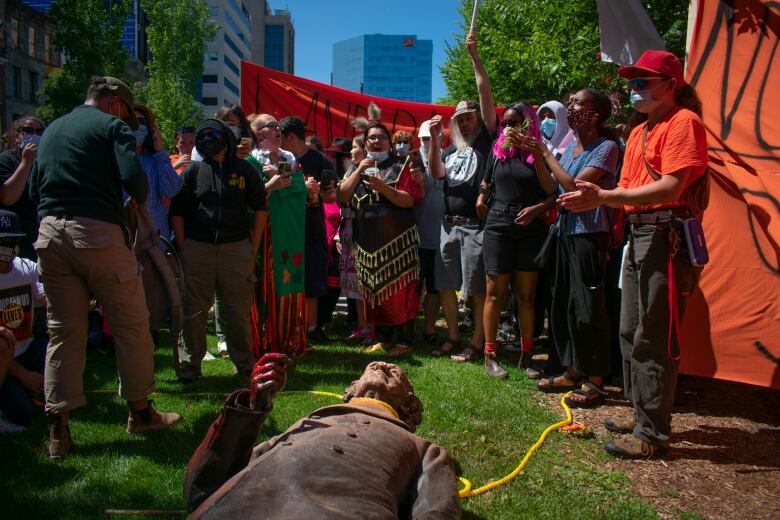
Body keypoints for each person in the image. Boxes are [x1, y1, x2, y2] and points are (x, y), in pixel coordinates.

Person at [558, 50, 709, 458]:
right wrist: (615, 220)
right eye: (632, 82)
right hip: (640, 234)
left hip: (665, 235)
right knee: (630, 330)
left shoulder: (684, 123)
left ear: (670, 85)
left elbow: (670, 188)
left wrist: (603, 197)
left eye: (643, 81)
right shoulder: (641, 130)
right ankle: (642, 412)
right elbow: (629, 193)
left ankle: (652, 433)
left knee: (653, 335)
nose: (634, 89)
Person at [29, 76, 181, 460]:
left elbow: (34, 190)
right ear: (116, 104)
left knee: (63, 332)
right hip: (96, 234)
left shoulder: (52, 129)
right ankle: (141, 413)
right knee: (131, 324)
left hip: (49, 236)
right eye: (128, 114)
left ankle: (58, 432)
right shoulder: (113, 126)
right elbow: (136, 181)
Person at [184, 357, 460, 519]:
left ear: (409, 405)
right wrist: (251, 407)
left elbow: (436, 508)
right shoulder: (306, 424)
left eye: (395, 372)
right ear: (351, 390)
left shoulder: (421, 448)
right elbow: (202, 487)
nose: (381, 365)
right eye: (375, 366)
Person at [521, 89, 619, 402]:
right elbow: (551, 185)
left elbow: (574, 187)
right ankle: (572, 368)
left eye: (577, 103)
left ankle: (596, 379)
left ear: (596, 114)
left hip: (589, 234)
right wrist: (539, 155)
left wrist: (546, 154)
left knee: (589, 307)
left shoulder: (607, 147)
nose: (571, 107)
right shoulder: (569, 149)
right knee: (563, 304)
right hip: (565, 232)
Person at [170, 118, 267, 384]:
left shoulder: (246, 170)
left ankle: (245, 366)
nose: (207, 139)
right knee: (193, 310)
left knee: (236, 310)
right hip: (197, 249)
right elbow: (177, 211)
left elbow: (260, 208)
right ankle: (190, 366)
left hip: (236, 250)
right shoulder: (192, 171)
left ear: (226, 138)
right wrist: (183, 245)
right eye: (203, 135)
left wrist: (253, 246)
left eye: (213, 134)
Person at [427, 29, 497, 362]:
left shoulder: (487, 141)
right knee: (445, 282)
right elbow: (437, 174)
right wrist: (433, 140)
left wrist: (474, 56)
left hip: (475, 226)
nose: (465, 124)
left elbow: (484, 91)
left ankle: (477, 341)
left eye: (469, 118)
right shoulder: (453, 151)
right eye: (460, 120)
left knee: (477, 287)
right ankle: (453, 335)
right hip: (447, 225)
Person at [477, 103, 556, 378]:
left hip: (530, 228)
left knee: (526, 296)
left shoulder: (539, 153)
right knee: (495, 292)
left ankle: (527, 355)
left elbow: (551, 191)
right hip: (498, 223)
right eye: (505, 123)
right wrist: (480, 197)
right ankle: (490, 356)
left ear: (528, 124)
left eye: (515, 122)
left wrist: (536, 209)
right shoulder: (497, 152)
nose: (509, 128)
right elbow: (486, 182)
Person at [338, 123, 422, 356]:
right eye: (371, 138)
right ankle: (384, 338)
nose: (376, 142)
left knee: (401, 287)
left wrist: (382, 188)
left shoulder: (401, 164)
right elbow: (342, 195)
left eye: (381, 138)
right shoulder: (356, 168)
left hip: (398, 237)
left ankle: (404, 341)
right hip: (366, 237)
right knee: (374, 288)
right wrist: (358, 169)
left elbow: (409, 200)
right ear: (365, 144)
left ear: (389, 142)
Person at [247, 114, 307, 356]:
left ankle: (285, 339)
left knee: (287, 280)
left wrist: (285, 179)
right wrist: (273, 183)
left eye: (278, 125)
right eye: (271, 126)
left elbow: (297, 186)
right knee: (263, 284)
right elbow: (253, 195)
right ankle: (262, 340)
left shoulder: (286, 159)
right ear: (260, 133)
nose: (278, 129)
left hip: (288, 233)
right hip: (264, 235)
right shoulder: (252, 161)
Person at [279, 116, 336, 343]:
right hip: (287, 227)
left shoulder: (322, 161)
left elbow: (330, 195)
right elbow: (281, 188)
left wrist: (316, 192)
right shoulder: (284, 161)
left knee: (312, 279)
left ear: (291, 136)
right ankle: (290, 325)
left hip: (312, 226)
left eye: (281, 137)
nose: (279, 142)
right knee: (288, 275)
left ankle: (312, 328)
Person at [0, 210, 46, 430]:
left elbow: (45, 296)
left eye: (11, 241)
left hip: (28, 349)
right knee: (24, 413)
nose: (7, 248)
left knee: (59, 354)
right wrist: (25, 376)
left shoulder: (26, 268)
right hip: (5, 361)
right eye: (2, 242)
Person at [339, 136, 375, 344]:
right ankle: (362, 325)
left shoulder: (371, 171)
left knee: (366, 281)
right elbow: (342, 194)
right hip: (348, 228)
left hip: (364, 228)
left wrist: (362, 169)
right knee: (354, 283)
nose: (351, 151)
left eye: (355, 147)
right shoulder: (351, 170)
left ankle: (372, 327)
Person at [415, 120, 445, 344]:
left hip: (442, 235)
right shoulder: (411, 160)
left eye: (431, 137)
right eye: (424, 138)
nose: (427, 142)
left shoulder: (451, 157)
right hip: (415, 236)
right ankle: (408, 328)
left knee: (435, 286)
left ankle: (429, 328)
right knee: (413, 287)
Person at [133, 105, 182, 241]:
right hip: (124, 243)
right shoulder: (112, 158)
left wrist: (160, 151)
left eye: (142, 122)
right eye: (133, 121)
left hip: (155, 241)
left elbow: (171, 190)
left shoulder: (156, 159)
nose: (138, 126)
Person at [0, 116, 45, 260]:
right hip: (12, 237)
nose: (34, 135)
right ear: (17, 135)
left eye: (39, 131)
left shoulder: (43, 163)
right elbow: (8, 198)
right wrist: (26, 163)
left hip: (38, 236)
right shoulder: (6, 160)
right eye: (28, 130)